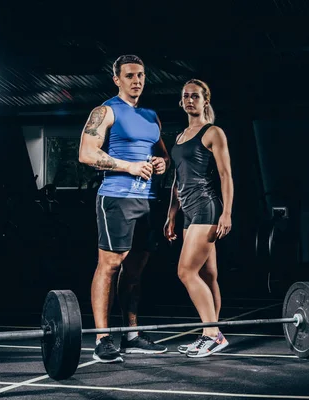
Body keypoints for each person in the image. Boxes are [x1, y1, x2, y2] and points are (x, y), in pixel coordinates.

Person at [78, 54, 170, 363]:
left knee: (135, 270)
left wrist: (161, 163)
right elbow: (87, 153)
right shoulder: (105, 111)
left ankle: (131, 335)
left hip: (148, 200)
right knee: (110, 265)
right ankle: (103, 339)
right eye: (130, 75)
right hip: (116, 197)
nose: (137, 80)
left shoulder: (150, 116)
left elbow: (163, 158)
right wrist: (128, 166)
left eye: (141, 75)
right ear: (117, 79)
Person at [164, 78, 233, 357]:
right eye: (186, 96)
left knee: (186, 272)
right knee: (208, 274)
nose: (190, 100)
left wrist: (227, 212)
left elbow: (226, 175)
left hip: (206, 208)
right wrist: (171, 216)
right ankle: (213, 333)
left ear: (206, 100)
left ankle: (212, 335)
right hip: (188, 211)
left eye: (195, 96)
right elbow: (176, 181)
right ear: (181, 102)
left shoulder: (213, 132)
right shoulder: (180, 137)